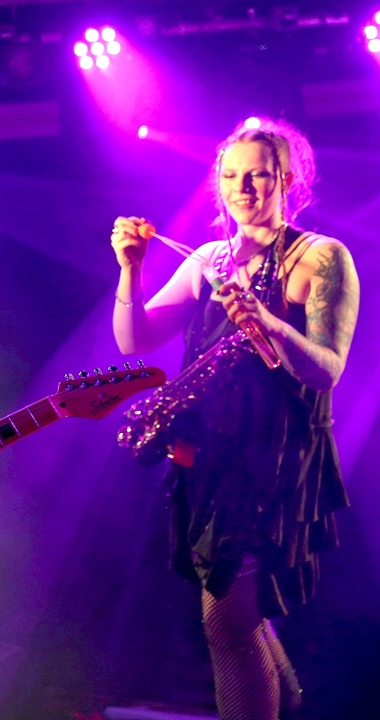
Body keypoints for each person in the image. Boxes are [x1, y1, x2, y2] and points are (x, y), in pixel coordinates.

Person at [109, 117, 357, 719]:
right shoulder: (208, 260)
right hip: (210, 460)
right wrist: (130, 268)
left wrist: (267, 321)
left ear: (287, 180)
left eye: (258, 176)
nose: (242, 188)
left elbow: (327, 370)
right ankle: (283, 700)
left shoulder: (321, 257)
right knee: (240, 620)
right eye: (230, 176)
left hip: (274, 464)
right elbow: (135, 340)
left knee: (226, 624)